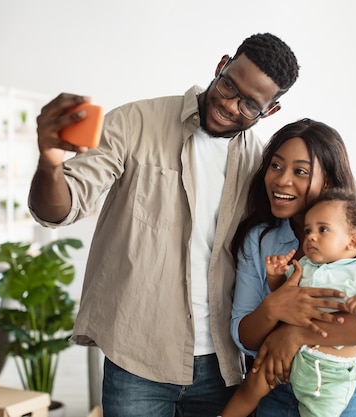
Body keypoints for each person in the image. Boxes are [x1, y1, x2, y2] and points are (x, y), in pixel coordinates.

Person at [28, 33, 300, 417]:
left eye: (248, 105)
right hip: (137, 359)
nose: (227, 104)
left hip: (223, 366)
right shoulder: (135, 122)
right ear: (221, 65)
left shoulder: (262, 166)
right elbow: (62, 207)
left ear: (270, 112)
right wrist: (50, 163)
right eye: (227, 85)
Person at [229, 118, 356, 417]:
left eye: (301, 171)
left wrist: (296, 334)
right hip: (278, 377)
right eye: (276, 166)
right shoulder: (258, 239)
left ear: (328, 182)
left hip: (345, 378)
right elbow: (243, 335)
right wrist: (271, 310)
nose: (281, 180)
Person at [220, 189, 356, 417]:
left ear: (352, 241)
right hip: (292, 356)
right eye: (308, 231)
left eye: (322, 230)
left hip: (329, 371)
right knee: (253, 383)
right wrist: (276, 277)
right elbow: (286, 300)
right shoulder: (305, 265)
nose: (311, 237)